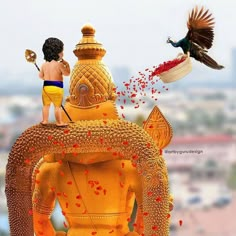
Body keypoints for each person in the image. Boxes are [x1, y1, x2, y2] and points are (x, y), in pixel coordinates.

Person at [39, 37, 70, 127]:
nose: (63, 53)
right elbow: (67, 73)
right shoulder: (59, 65)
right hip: (57, 88)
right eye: (61, 51)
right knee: (57, 107)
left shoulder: (44, 65)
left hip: (46, 88)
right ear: (57, 53)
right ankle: (59, 122)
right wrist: (67, 65)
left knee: (46, 105)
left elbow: (41, 76)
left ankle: (45, 120)